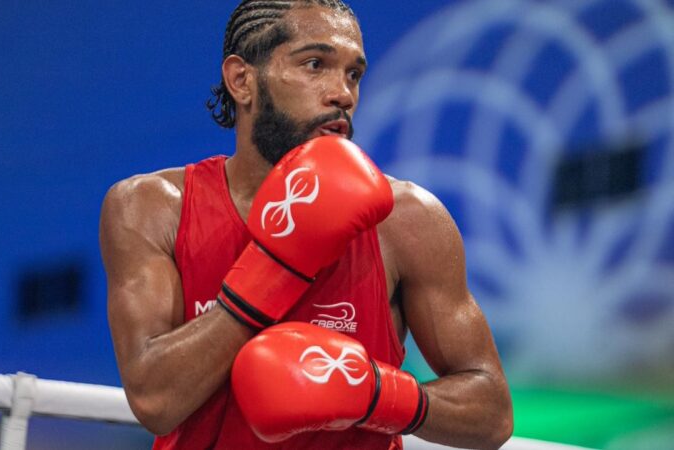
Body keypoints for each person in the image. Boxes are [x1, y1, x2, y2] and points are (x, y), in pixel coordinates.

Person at [99, 1, 513, 449]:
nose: (344, 93)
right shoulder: (154, 208)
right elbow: (155, 399)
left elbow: (491, 413)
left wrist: (376, 394)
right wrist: (277, 264)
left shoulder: (406, 219)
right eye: (315, 65)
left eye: (353, 74)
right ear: (242, 80)